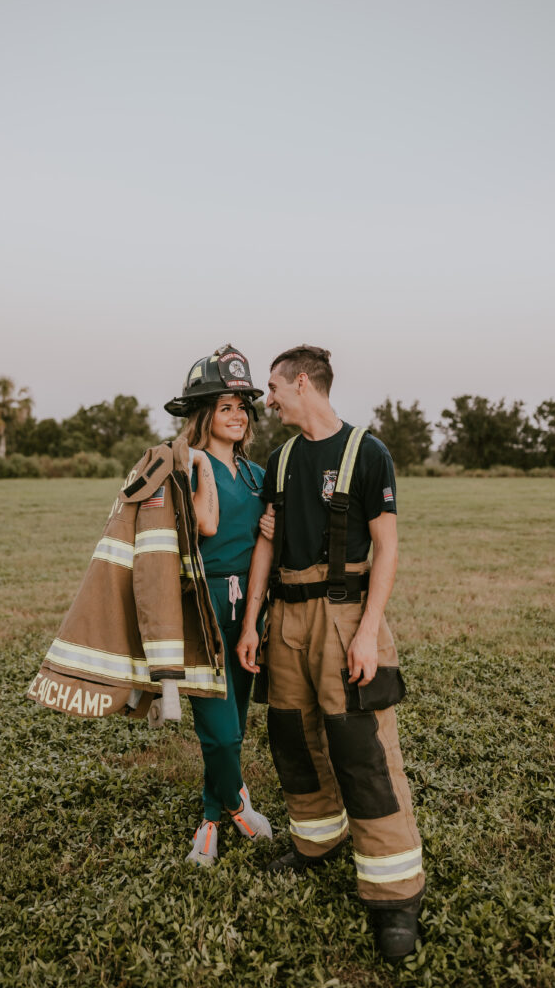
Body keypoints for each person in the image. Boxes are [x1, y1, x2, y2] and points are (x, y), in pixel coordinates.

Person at [236, 345, 425, 960]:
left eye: (271, 387)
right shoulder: (281, 458)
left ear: (300, 383)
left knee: (361, 749)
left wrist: (368, 630)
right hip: (286, 616)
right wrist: (251, 622)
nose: (267, 400)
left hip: (344, 615)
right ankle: (316, 841)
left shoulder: (368, 452)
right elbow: (266, 544)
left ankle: (395, 895)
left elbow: (387, 547)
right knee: (292, 735)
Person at [164, 344, 274, 866]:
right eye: (225, 407)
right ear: (205, 414)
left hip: (248, 610)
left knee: (236, 719)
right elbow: (204, 527)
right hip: (202, 606)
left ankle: (212, 811)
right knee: (221, 729)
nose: (237, 416)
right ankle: (230, 807)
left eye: (242, 407)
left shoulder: (256, 475)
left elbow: (267, 543)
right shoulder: (182, 466)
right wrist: (203, 465)